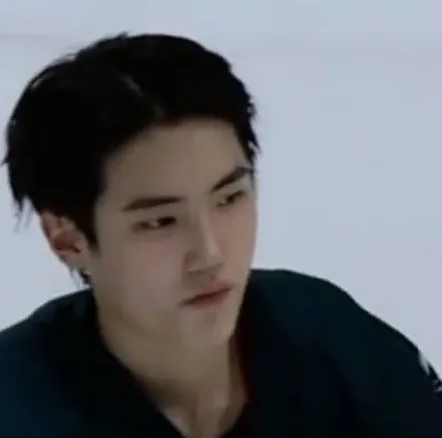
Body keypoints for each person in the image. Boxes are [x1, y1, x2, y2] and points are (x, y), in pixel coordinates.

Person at [0, 33, 441, 438]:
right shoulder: (18, 406)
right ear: (67, 239)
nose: (210, 254)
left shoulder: (331, 343)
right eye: (160, 222)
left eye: (229, 198)